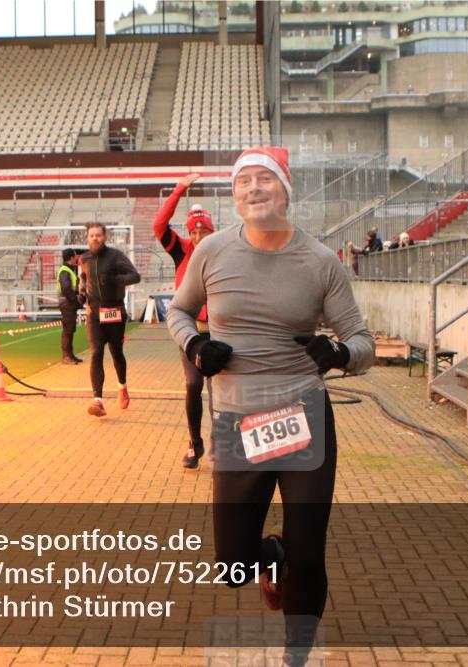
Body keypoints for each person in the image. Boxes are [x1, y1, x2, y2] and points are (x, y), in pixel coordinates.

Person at [167, 146, 375, 665]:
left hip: (303, 416)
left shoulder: (320, 261)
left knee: (309, 551)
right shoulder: (211, 251)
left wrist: (339, 353)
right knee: (232, 564)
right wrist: (194, 344)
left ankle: (296, 655)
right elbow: (178, 311)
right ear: (235, 195)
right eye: (243, 182)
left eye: (264, 180)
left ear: (284, 189)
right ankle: (271, 554)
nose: (253, 189)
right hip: (239, 424)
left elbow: (363, 342)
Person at [154, 173, 215, 469]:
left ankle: (223, 443)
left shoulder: (222, 252)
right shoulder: (182, 251)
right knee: (193, 386)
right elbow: (159, 225)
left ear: (212, 232)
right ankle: (195, 442)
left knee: (220, 391)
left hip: (218, 331)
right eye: (194, 233)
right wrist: (179, 190)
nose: (198, 237)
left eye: (203, 232)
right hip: (189, 332)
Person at [78, 223, 141, 417]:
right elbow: (83, 278)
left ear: (105, 237)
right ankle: (97, 400)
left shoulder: (115, 256)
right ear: (87, 238)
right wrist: (81, 293)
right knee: (96, 352)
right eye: (91, 235)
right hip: (94, 314)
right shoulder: (84, 258)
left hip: (114, 312)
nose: (95, 238)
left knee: (116, 352)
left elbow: (135, 276)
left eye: (98, 235)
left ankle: (122, 386)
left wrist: (115, 280)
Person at [57, 248, 83, 364]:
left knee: (70, 330)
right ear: (71, 258)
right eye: (75, 256)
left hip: (69, 303)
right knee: (68, 330)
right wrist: (76, 301)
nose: (76, 258)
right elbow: (67, 290)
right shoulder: (65, 271)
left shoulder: (68, 270)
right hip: (67, 303)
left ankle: (70, 355)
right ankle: (66, 356)